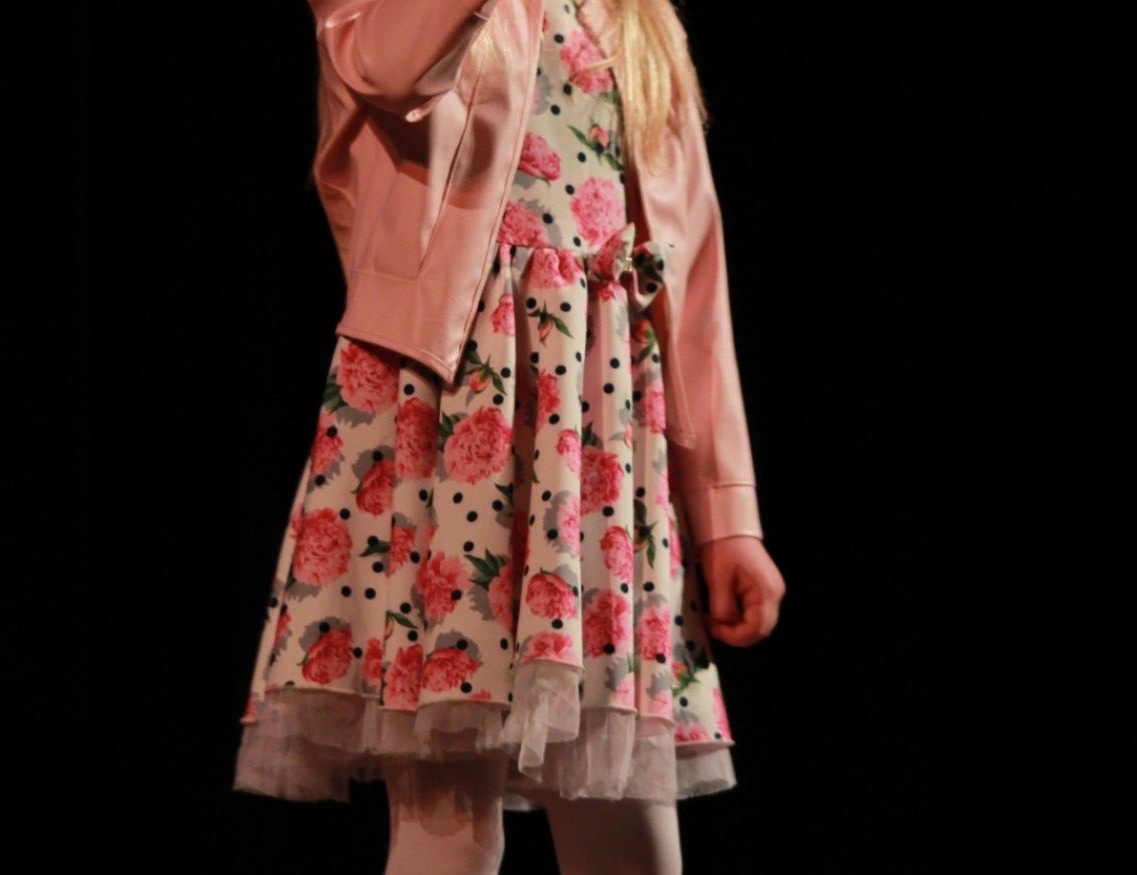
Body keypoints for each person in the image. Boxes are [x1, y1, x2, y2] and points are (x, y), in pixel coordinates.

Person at [232, 1, 786, 871]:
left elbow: (691, 271)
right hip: (451, 410)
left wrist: (726, 515)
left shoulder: (637, 17)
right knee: (449, 825)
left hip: (598, 438)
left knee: (628, 825)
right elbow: (391, 70)